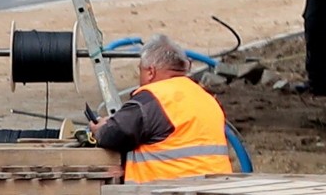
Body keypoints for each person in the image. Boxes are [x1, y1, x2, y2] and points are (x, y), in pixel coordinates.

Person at [88, 34, 233, 184]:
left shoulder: (152, 99)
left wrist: (99, 130)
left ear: (150, 72)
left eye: (141, 71)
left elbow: (113, 134)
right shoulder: (206, 97)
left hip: (170, 189)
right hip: (216, 188)